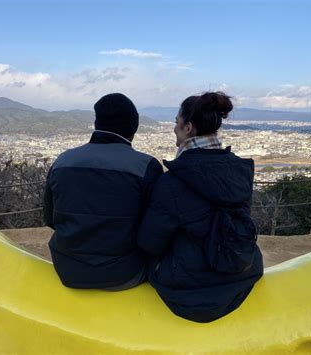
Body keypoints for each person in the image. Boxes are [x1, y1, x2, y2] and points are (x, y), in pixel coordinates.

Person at [137, 92, 263, 322]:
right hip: (243, 274)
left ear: (188, 128)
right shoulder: (239, 170)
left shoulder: (173, 182)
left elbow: (150, 242)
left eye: (177, 122)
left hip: (189, 289)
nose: (174, 128)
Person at [44, 93, 163, 291]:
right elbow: (153, 232)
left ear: (96, 123)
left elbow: (49, 218)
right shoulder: (146, 167)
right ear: (134, 128)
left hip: (68, 268)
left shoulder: (62, 162)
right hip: (125, 272)